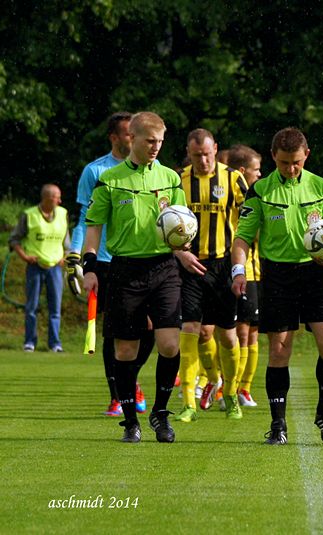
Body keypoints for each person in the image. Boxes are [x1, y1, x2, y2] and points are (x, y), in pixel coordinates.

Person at [82, 111, 191, 443]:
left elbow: (182, 221)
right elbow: (93, 226)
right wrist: (89, 267)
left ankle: (160, 413)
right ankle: (131, 421)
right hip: (124, 270)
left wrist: (184, 243)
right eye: (150, 141)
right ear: (132, 138)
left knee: (169, 344)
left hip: (163, 268)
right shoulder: (109, 179)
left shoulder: (170, 178)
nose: (156, 147)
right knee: (126, 350)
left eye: (160, 141)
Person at [232, 127, 323, 446]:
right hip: (278, 276)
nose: (291, 169)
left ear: (306, 155)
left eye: (296, 162)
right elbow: (242, 237)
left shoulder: (321, 187)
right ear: (273, 157)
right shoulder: (260, 190)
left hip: (316, 274)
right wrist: (238, 271)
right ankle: (278, 424)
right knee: (280, 350)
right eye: (283, 163)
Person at [67, 111, 152, 417]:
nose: (134, 138)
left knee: (150, 327)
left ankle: (131, 379)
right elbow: (85, 219)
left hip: (142, 258)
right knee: (114, 329)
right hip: (105, 260)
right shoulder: (95, 171)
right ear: (114, 137)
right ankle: (117, 396)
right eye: (129, 133)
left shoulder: (151, 169)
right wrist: (76, 255)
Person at [174, 129, 248, 423]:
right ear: (189, 153)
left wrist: (243, 263)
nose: (203, 160)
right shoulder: (179, 180)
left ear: (215, 149)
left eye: (207, 154)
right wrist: (179, 251)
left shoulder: (233, 179)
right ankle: (188, 403)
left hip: (223, 267)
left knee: (227, 336)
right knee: (192, 330)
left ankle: (229, 394)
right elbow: (166, 222)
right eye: (197, 156)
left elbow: (249, 220)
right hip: (190, 265)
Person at [9, 184, 70, 353]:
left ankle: (55, 344)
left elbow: (66, 241)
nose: (60, 200)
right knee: (32, 306)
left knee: (55, 308)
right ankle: (30, 342)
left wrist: (65, 256)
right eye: (57, 197)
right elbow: (14, 240)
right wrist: (25, 257)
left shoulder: (63, 214)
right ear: (47, 198)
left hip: (55, 267)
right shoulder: (29, 215)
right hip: (35, 266)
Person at [226, 144, 262, 407]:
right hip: (239, 270)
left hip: (257, 271)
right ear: (242, 171)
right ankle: (229, 386)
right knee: (238, 332)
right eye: (255, 169)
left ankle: (244, 388)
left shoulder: (258, 198)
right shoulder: (234, 200)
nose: (259, 174)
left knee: (252, 332)